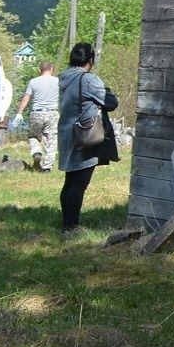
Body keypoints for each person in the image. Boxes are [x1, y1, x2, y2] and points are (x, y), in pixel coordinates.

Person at [57, 42, 119, 238]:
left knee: (70, 181)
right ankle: (71, 226)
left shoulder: (64, 77)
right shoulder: (88, 79)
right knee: (80, 183)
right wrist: (107, 90)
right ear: (90, 60)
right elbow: (111, 103)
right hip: (84, 135)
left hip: (67, 132)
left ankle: (67, 222)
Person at [3, 60, 60, 172]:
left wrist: (19, 113)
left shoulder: (33, 82)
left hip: (37, 113)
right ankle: (47, 167)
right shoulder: (58, 81)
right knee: (51, 139)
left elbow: (26, 98)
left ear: (39, 70)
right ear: (52, 69)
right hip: (53, 113)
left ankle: (36, 151)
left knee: (33, 136)